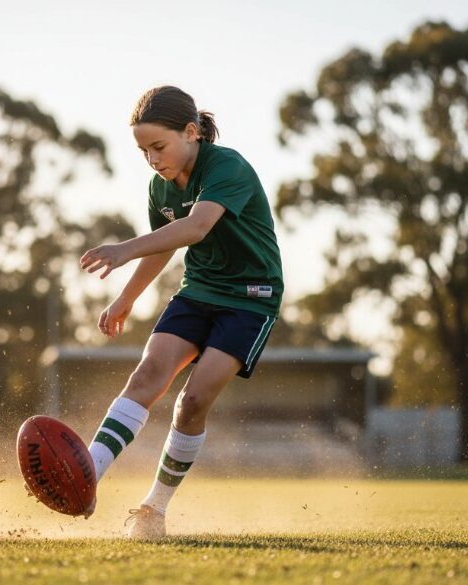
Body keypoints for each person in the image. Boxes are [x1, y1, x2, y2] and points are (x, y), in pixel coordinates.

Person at [79, 86, 284, 539]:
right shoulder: (160, 185)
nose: (152, 159)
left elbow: (194, 227)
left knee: (190, 403)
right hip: (199, 291)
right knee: (146, 376)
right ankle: (86, 477)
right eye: (143, 151)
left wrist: (123, 250)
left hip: (251, 297)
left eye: (158, 146)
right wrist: (126, 298)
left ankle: (154, 507)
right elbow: (165, 244)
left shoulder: (226, 166)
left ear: (191, 132)